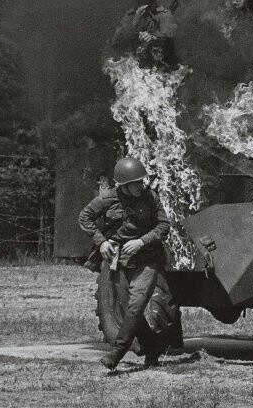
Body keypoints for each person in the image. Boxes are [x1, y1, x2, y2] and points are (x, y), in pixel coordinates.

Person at [79, 157, 174, 370]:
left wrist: (141, 241)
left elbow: (164, 225)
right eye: (137, 183)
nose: (142, 186)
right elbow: (84, 217)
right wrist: (101, 242)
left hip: (147, 260)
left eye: (142, 181)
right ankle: (153, 349)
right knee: (132, 312)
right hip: (119, 261)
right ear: (124, 185)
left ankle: (117, 353)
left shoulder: (150, 197)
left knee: (135, 306)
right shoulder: (107, 199)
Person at [111, 0, 177, 68]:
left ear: (151, 0)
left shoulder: (164, 15)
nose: (137, 2)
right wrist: (134, 22)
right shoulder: (131, 16)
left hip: (158, 66)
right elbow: (116, 41)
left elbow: (167, 33)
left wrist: (153, 37)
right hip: (133, 65)